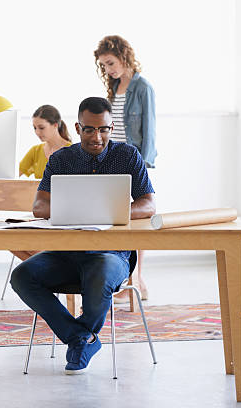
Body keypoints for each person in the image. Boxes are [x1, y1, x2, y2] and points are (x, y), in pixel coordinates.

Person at [10, 97, 155, 374]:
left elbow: (149, 205)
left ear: (111, 127)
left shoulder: (128, 156)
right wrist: (79, 211)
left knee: (100, 270)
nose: (97, 137)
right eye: (89, 129)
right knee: (22, 276)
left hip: (111, 254)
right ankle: (81, 337)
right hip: (66, 254)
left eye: (103, 129)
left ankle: (80, 340)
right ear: (77, 128)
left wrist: (107, 213)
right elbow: (39, 206)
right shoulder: (62, 159)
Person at [94, 35, 157, 301]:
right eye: (104, 65)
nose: (108, 69)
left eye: (111, 63)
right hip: (113, 160)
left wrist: (143, 164)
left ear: (124, 56)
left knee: (137, 219)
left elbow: (149, 130)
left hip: (134, 161)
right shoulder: (115, 86)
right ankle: (122, 277)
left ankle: (137, 278)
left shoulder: (143, 87)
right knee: (116, 218)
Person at [13, 105, 72, 261]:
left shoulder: (72, 151)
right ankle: (53, 269)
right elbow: (13, 174)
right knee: (8, 238)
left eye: (41, 128)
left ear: (55, 125)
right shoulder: (35, 151)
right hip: (40, 215)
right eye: (34, 128)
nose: (37, 133)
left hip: (64, 215)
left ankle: (54, 268)